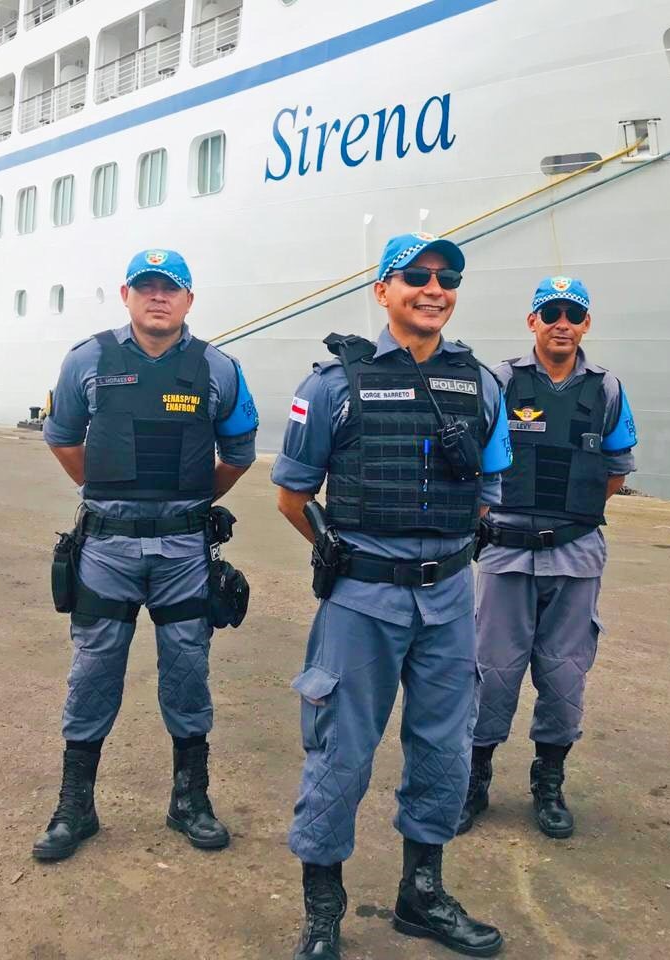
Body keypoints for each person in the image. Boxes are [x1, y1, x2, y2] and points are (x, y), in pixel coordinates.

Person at [273, 233, 511, 960]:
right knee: (340, 752)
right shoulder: (332, 385)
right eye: (416, 276)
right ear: (383, 290)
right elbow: (291, 494)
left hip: (448, 602)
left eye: (448, 277)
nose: (433, 288)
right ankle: (323, 908)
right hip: (362, 601)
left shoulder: (483, 385)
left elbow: (487, 490)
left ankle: (422, 895)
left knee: (444, 749)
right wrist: (337, 552)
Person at [33, 248, 259, 862]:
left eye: (172, 288)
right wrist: (108, 493)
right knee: (93, 670)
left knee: (188, 670)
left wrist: (184, 504)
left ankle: (190, 800)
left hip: (185, 547)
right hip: (107, 545)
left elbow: (239, 455)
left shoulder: (219, 369)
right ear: (126, 294)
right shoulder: (87, 359)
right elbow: (62, 439)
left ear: (190, 300)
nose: (159, 297)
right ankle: (75, 805)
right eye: (147, 287)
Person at [459, 276, 637, 840]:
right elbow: (475, 464)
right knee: (493, 672)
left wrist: (569, 517)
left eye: (574, 314)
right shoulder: (500, 383)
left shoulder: (606, 390)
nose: (563, 323)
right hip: (506, 554)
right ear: (532, 321)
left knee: (564, 675)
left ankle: (549, 781)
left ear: (587, 324)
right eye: (551, 312)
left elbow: (615, 469)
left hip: (576, 554)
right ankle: (475, 779)